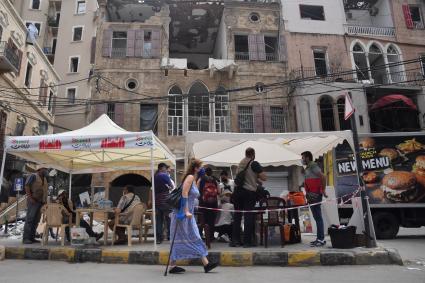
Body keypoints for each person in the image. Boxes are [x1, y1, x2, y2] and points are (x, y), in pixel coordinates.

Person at [168, 158, 218, 274]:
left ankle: (205, 264)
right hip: (183, 213)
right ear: (196, 168)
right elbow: (184, 193)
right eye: (200, 167)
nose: (202, 169)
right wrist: (186, 211)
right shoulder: (190, 177)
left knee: (193, 237)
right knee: (190, 237)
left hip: (187, 214)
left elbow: (193, 193)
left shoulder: (194, 178)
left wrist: (200, 179)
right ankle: (205, 264)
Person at [231, 147, 267, 248]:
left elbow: (244, 177)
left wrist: (255, 179)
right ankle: (247, 242)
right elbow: (264, 177)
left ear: (245, 153)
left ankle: (235, 241)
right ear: (253, 154)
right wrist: (259, 177)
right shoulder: (253, 163)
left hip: (237, 192)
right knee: (248, 217)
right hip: (248, 193)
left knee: (237, 217)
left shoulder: (241, 163)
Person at [301, 151, 328, 247]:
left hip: (315, 195)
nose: (302, 160)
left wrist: (323, 190)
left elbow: (323, 177)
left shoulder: (313, 166)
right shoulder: (308, 167)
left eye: (303, 158)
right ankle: (319, 238)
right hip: (311, 195)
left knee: (318, 217)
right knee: (317, 218)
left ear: (308, 158)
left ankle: (320, 239)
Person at [23, 165, 49, 244]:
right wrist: (30, 198)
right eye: (45, 169)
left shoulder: (44, 178)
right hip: (33, 201)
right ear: (40, 169)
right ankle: (26, 238)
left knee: (36, 220)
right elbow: (27, 186)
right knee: (30, 219)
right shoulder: (33, 176)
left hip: (41, 202)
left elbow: (44, 190)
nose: (46, 170)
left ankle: (32, 237)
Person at [154, 162, 173, 244]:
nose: (166, 170)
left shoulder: (154, 176)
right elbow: (171, 186)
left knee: (159, 220)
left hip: (157, 201)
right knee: (168, 219)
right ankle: (169, 236)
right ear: (162, 168)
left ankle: (159, 238)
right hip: (165, 200)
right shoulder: (164, 175)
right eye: (165, 168)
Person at [198, 167, 219, 240]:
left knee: (202, 220)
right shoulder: (215, 180)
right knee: (211, 220)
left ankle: (200, 236)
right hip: (213, 203)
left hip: (203, 203)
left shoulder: (201, 180)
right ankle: (211, 236)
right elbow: (218, 192)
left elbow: (198, 191)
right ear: (211, 172)